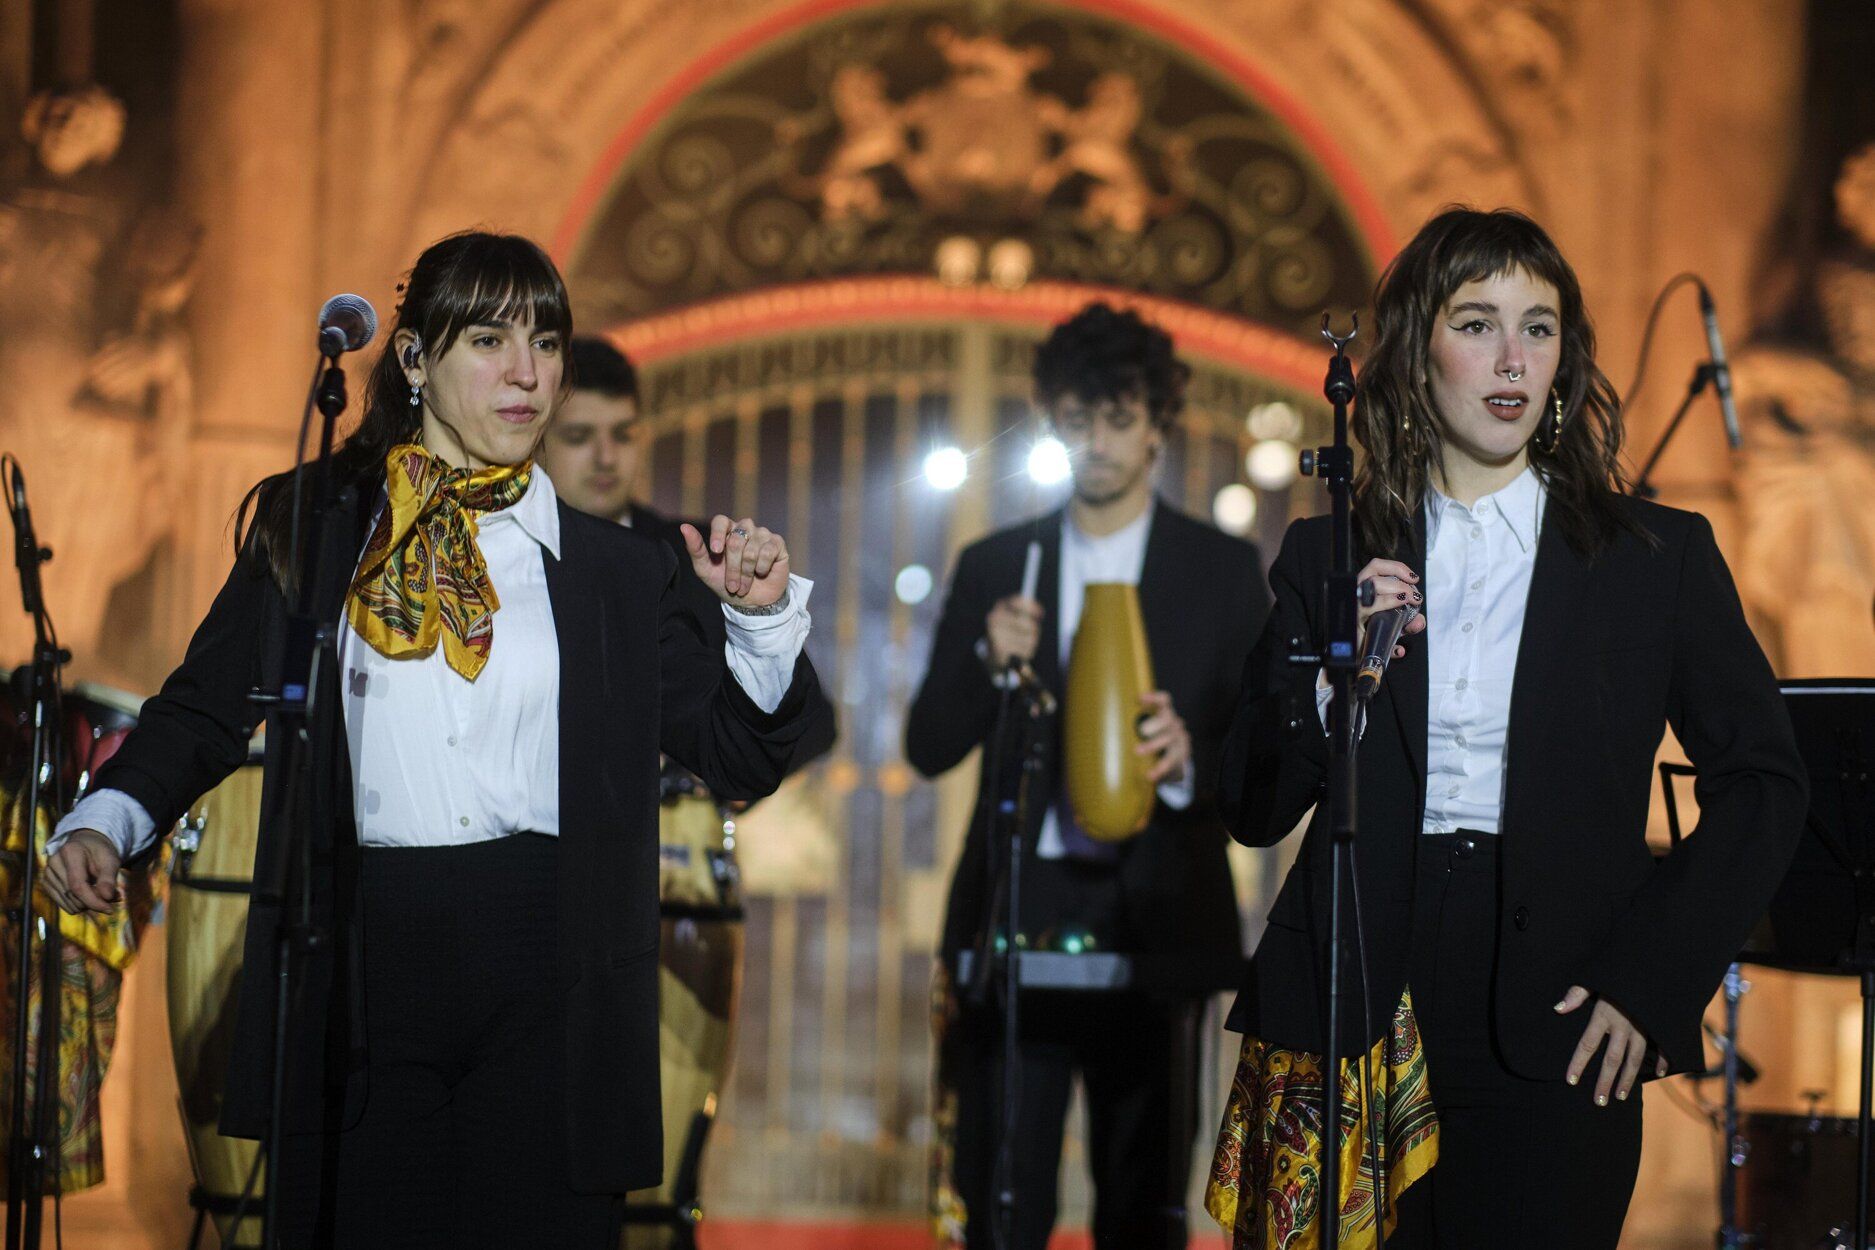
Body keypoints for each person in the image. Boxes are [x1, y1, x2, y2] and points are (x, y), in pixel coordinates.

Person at [40, 231, 828, 1248]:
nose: (527, 372)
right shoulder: (317, 529)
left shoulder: (617, 572)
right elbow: (202, 706)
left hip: (554, 964)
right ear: (413, 360)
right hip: (359, 955)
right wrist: (112, 813)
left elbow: (738, 757)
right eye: (490, 339)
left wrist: (759, 625)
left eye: (547, 342)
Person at [1206, 207, 1808, 1249]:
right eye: (1477, 321)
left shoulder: (1652, 557)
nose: (1512, 357)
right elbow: (1253, 807)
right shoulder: (1329, 555)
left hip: (1569, 1003)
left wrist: (1652, 980)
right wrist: (1331, 678)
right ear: (1416, 353)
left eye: (1539, 326)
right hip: (1357, 991)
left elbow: (1765, 781)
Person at [907, 302, 1270, 1249]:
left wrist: (1190, 760)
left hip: (1157, 914)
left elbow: (1262, 769)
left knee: (1144, 1203)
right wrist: (989, 662)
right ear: (1052, 422)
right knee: (1000, 1202)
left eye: (1118, 418)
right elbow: (927, 745)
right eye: (1078, 418)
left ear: (1157, 426)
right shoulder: (998, 564)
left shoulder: (1222, 571)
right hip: (1021, 906)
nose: (1097, 441)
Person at [537, 334, 836, 767]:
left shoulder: (701, 556)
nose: (605, 457)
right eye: (579, 437)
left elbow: (812, 722)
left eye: (622, 435)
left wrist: (712, 784)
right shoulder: (512, 552)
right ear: (539, 440)